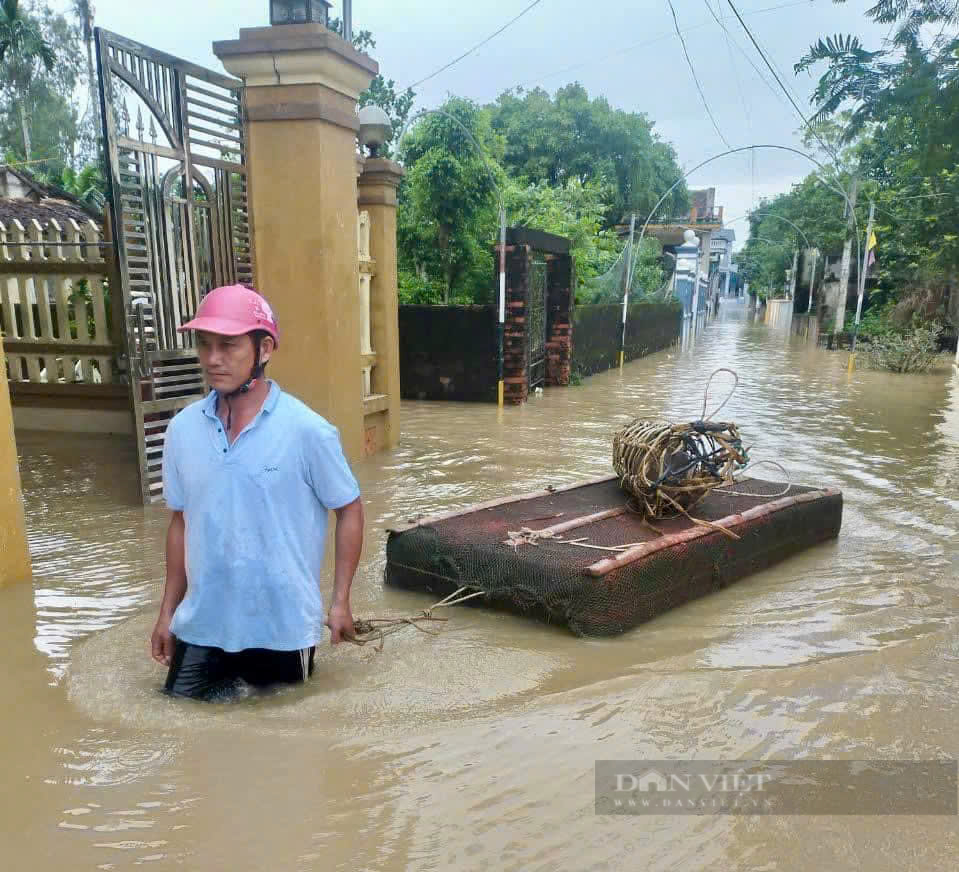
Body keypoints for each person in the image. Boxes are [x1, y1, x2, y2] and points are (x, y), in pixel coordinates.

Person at [150, 284, 365, 700]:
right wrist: (167, 614)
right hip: (203, 624)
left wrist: (340, 601)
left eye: (228, 346)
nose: (212, 359)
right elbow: (179, 521)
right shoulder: (182, 430)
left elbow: (350, 509)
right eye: (204, 345)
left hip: (282, 629)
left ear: (264, 349)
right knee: (183, 732)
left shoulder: (308, 431)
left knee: (282, 744)